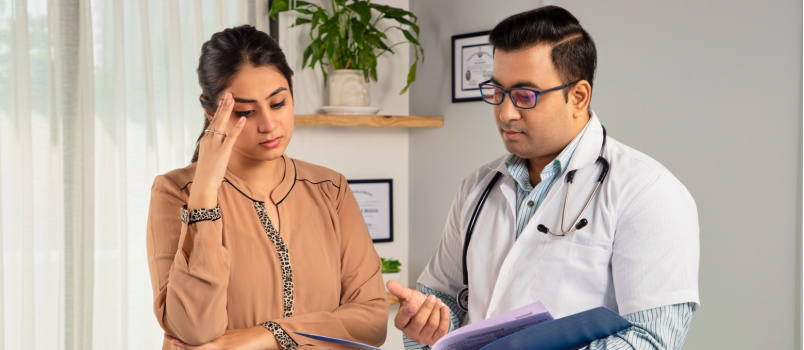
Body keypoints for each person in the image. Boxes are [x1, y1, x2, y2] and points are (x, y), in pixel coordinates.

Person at [388, 6, 699, 349]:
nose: (505, 112)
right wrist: (426, 322)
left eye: (525, 96)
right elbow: (442, 294)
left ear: (578, 96)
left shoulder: (646, 191)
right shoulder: (477, 188)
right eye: (497, 92)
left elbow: (651, 339)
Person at [146, 25, 388, 350]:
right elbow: (193, 330)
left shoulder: (330, 189)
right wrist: (204, 195)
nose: (268, 125)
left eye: (277, 104)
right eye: (245, 112)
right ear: (211, 113)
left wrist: (264, 336)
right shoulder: (175, 191)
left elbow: (371, 322)